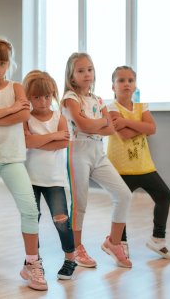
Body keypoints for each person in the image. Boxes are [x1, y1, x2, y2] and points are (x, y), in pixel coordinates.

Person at [0, 36, 46, 291]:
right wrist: (9, 111)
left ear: (8, 64)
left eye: (1, 63)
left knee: (29, 207)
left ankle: (32, 263)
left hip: (13, 157)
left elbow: (24, 114)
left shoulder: (16, 88)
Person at [60, 52, 132, 268]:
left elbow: (110, 129)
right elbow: (84, 126)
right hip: (77, 151)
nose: (86, 74)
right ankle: (76, 247)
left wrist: (97, 122)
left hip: (98, 153)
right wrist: (101, 121)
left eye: (89, 69)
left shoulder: (98, 100)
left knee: (124, 194)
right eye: (81, 71)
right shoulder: (70, 98)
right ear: (71, 77)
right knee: (80, 203)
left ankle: (114, 242)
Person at [107, 66, 170, 260]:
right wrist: (142, 127)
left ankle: (158, 240)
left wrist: (130, 123)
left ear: (135, 84)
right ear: (113, 86)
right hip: (121, 169)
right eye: (121, 80)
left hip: (144, 166)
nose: (126, 84)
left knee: (164, 196)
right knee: (121, 204)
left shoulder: (141, 107)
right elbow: (124, 134)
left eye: (130, 80)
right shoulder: (111, 108)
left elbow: (152, 128)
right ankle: (121, 244)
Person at [22, 70, 78, 279]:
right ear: (29, 97)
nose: (42, 101)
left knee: (61, 220)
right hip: (30, 179)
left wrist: (39, 140)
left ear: (53, 94)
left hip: (54, 180)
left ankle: (71, 258)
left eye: (46, 96)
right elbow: (27, 142)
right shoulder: (26, 118)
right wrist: (52, 137)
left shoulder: (60, 118)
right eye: (36, 97)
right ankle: (33, 259)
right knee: (31, 220)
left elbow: (64, 143)